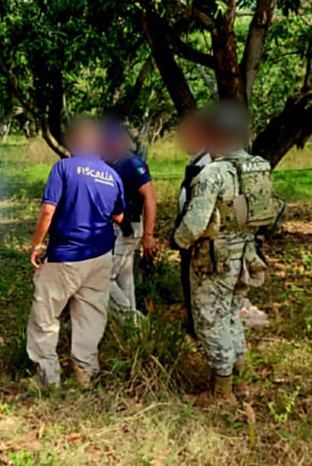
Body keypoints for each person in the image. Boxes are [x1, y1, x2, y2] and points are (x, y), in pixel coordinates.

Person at [173, 102, 281, 404]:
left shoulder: (213, 173)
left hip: (213, 261)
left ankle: (222, 392)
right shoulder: (258, 166)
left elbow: (194, 224)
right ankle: (240, 381)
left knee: (211, 320)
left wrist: (178, 242)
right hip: (245, 255)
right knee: (232, 315)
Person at [26, 118, 125, 387]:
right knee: (91, 314)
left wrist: (36, 245)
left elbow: (48, 211)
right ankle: (84, 370)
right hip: (100, 255)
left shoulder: (63, 168)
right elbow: (118, 216)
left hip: (65, 255)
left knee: (46, 313)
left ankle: (47, 375)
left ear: (74, 141)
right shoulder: (112, 175)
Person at [101, 120, 157, 323]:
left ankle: (133, 321)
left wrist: (148, 235)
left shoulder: (132, 164)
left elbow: (149, 197)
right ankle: (133, 328)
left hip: (127, 227)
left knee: (101, 279)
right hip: (115, 228)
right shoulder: (111, 163)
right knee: (124, 279)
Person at [174, 112, 212, 337]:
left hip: (199, 241)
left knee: (200, 290)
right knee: (190, 286)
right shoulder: (197, 161)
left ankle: (201, 333)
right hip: (192, 239)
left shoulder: (208, 166)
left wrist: (184, 239)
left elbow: (202, 211)